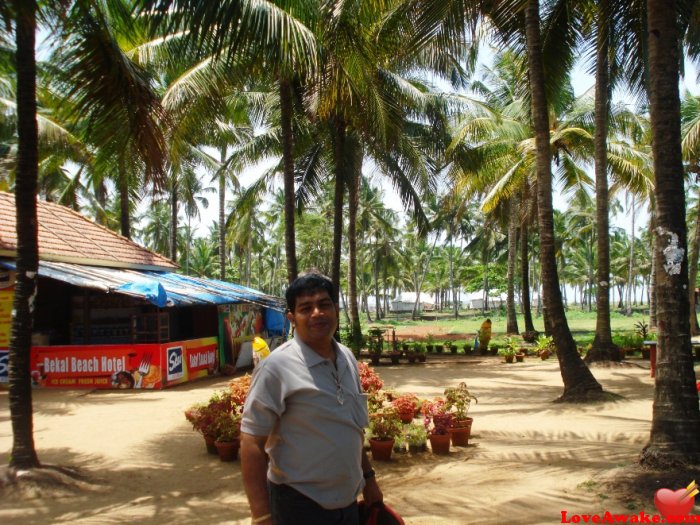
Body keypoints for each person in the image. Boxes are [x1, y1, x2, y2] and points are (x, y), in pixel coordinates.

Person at [240, 271, 383, 525]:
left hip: (348, 502)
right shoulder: (276, 367)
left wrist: (369, 479)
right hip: (299, 505)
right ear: (292, 318)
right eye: (306, 308)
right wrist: (261, 516)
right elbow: (251, 443)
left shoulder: (347, 358)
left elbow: (350, 427)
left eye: (324, 304)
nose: (317, 313)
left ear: (335, 310)